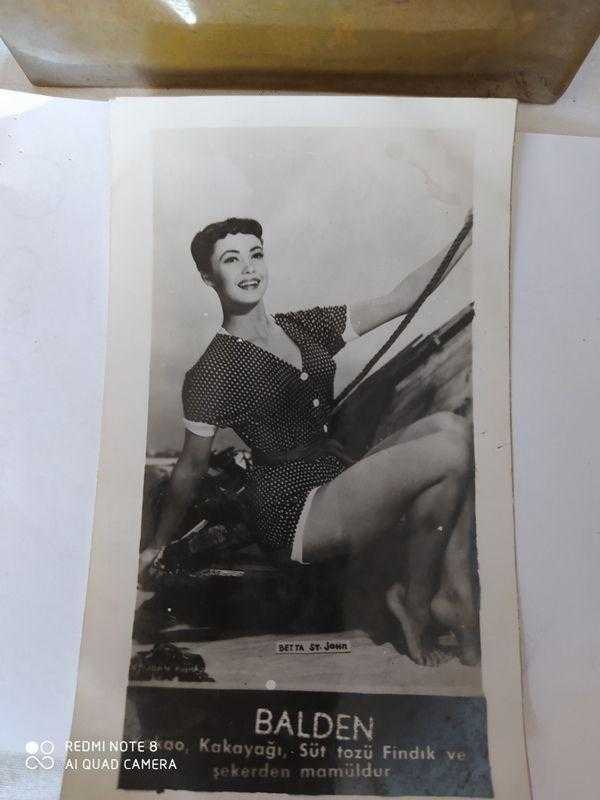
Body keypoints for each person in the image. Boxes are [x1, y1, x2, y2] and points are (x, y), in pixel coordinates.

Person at [139, 215, 479, 667]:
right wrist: (158, 544)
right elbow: (190, 469)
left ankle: (452, 594)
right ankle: (418, 602)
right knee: (451, 453)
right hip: (291, 509)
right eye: (231, 259)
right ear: (208, 276)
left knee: (451, 430)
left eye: (256, 254)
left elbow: (402, 298)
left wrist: (470, 234)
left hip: (335, 474)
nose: (248, 267)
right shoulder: (211, 372)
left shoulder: (302, 327)